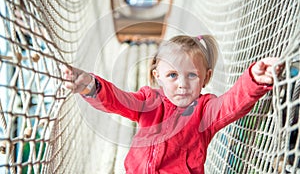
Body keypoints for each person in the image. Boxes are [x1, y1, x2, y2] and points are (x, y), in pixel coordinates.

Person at [63, 35, 282, 174]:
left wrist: (253, 80)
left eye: (192, 76)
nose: (182, 85)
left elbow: (231, 104)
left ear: (206, 77)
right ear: (157, 76)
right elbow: (119, 100)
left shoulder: (205, 111)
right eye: (172, 75)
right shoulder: (148, 101)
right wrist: (91, 86)